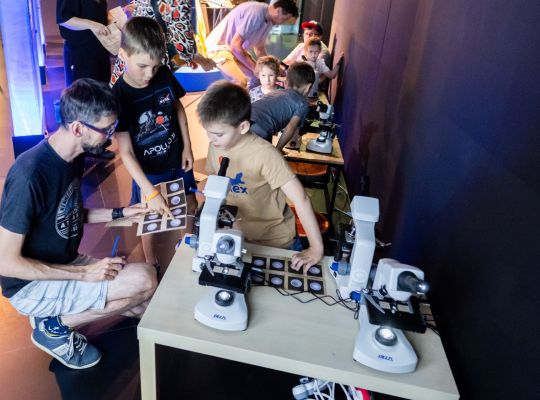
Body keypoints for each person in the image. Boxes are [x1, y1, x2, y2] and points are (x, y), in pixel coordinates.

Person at [0, 78, 157, 370]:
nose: (110, 137)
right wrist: (85, 274)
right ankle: (52, 326)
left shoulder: (72, 155)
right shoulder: (29, 176)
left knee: (144, 304)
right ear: (77, 128)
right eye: (106, 130)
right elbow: (6, 263)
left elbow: (68, 213)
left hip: (65, 261)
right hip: (30, 286)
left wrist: (121, 213)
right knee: (144, 280)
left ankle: (59, 315)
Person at [197, 80, 324, 271]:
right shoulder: (216, 145)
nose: (211, 139)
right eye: (208, 133)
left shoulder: (265, 154)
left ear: (243, 127)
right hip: (240, 237)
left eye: (218, 134)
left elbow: (301, 199)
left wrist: (316, 248)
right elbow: (214, 181)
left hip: (277, 241)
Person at [112, 17, 197, 269]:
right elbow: (126, 152)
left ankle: (187, 245)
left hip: (176, 155)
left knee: (189, 202)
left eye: (155, 66)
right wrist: (149, 191)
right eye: (142, 66)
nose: (149, 74)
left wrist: (188, 146)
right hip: (148, 168)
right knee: (148, 213)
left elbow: (178, 108)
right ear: (123, 54)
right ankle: (151, 261)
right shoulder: (119, 96)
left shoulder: (164, 75)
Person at [57, 0, 116, 160]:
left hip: (99, 49)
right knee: (83, 99)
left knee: (100, 96)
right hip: (80, 51)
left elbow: (97, 15)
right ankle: (80, 147)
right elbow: (64, 19)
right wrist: (92, 25)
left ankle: (97, 144)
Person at [110, 0, 215, 86]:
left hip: (132, 58)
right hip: (153, 61)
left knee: (120, 99)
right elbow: (184, 44)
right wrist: (204, 62)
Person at [204, 0, 299, 87]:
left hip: (234, 51)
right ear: (278, 11)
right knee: (240, 82)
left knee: (256, 80)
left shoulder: (269, 21)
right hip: (219, 48)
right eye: (284, 20)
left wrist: (273, 68)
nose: (282, 23)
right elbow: (235, 46)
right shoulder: (256, 13)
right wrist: (256, 69)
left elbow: (259, 49)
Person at [250, 62, 315, 151]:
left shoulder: (275, 92)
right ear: (309, 87)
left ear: (286, 83)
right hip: (259, 129)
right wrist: (278, 149)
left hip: (243, 119)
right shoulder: (303, 104)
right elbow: (291, 127)